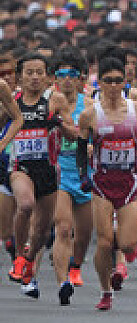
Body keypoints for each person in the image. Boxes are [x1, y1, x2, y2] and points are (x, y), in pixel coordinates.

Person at [76, 57, 137, 310]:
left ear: (125, 82)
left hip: (129, 181)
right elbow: (81, 148)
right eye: (108, 81)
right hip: (102, 182)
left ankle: (117, 260)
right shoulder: (90, 114)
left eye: (118, 81)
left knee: (128, 243)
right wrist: (83, 175)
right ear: (99, 82)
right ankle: (105, 290)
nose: (113, 86)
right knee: (104, 241)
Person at [0, 51, 74, 299]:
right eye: (29, 73)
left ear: (47, 77)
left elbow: (73, 134)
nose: (34, 77)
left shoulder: (55, 100)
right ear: (19, 77)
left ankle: (29, 261)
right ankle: (19, 257)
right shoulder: (12, 101)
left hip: (48, 170)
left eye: (39, 73)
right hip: (20, 167)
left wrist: (58, 123)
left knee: (42, 232)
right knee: (25, 204)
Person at [50, 47, 93, 306]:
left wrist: (92, 146)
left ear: (81, 78)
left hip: (85, 173)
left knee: (84, 233)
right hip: (60, 173)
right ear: (55, 77)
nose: (67, 79)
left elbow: (100, 135)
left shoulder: (89, 106)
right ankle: (62, 282)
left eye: (72, 74)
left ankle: (75, 265)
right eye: (62, 74)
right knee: (63, 228)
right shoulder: (49, 104)